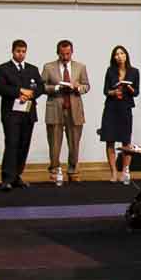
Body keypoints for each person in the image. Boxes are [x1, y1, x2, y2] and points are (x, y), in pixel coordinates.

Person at [0, 39, 43, 190]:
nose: (21, 54)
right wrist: (19, 92)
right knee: (12, 144)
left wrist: (30, 95)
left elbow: (40, 88)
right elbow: (1, 88)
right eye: (18, 51)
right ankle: (7, 179)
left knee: (24, 145)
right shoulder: (3, 69)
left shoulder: (32, 69)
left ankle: (17, 176)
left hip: (28, 113)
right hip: (11, 113)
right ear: (13, 51)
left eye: (23, 52)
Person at [41, 39, 91, 183]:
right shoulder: (48, 67)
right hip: (55, 108)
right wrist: (56, 87)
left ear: (72, 52)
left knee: (74, 142)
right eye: (63, 54)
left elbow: (87, 86)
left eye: (68, 53)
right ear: (58, 53)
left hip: (74, 109)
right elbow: (42, 86)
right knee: (54, 143)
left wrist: (78, 87)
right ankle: (55, 170)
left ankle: (73, 170)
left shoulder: (80, 67)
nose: (65, 57)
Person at [99, 45, 141, 183]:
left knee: (126, 140)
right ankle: (113, 172)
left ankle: (125, 171)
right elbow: (105, 90)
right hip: (111, 108)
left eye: (122, 53)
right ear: (113, 57)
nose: (119, 56)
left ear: (126, 55)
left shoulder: (134, 71)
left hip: (125, 108)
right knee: (109, 140)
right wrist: (113, 92)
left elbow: (136, 92)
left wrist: (129, 87)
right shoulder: (110, 71)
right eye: (116, 54)